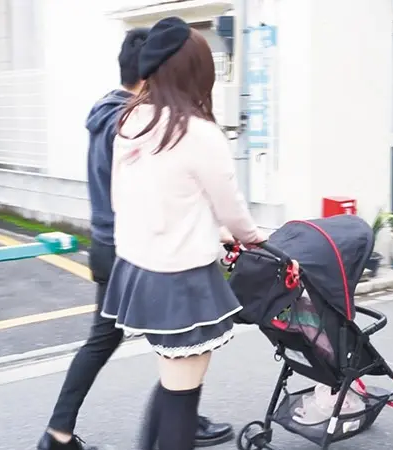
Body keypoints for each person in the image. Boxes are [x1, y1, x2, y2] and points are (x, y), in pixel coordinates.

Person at [37, 27, 235, 450]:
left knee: (114, 342)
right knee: (180, 342)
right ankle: (177, 422)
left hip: (105, 244)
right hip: (136, 249)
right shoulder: (139, 123)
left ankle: (59, 431)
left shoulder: (106, 114)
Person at [101, 16, 266, 450]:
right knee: (182, 393)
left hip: (137, 269)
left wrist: (210, 229)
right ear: (196, 73)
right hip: (180, 277)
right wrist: (251, 236)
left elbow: (132, 199)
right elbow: (231, 207)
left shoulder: (130, 122)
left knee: (173, 378)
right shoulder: (198, 132)